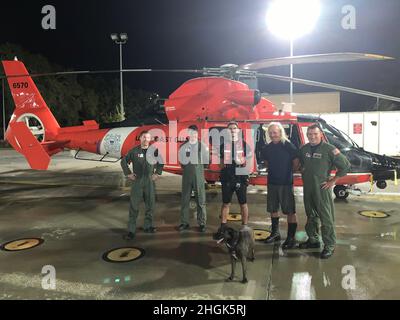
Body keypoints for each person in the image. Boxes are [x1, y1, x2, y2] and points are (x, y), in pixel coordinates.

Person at [299, 124, 351, 259]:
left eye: (315, 134)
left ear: (321, 134)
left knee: (326, 218)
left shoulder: (330, 149)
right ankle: (313, 239)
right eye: (309, 134)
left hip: (322, 189)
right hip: (308, 188)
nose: (312, 136)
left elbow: (345, 166)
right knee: (311, 215)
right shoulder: (304, 149)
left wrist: (333, 181)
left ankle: (329, 245)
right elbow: (302, 164)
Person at [260, 122, 300, 249]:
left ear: (281, 132)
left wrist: (286, 172)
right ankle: (275, 233)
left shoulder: (288, 146)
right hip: (272, 183)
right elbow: (266, 163)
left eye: (275, 132)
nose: (273, 135)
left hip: (286, 184)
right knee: (273, 209)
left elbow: (296, 163)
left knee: (290, 211)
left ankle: (291, 238)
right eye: (270, 133)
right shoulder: (267, 148)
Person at [214, 121, 253, 246]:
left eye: (234, 128)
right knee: (226, 203)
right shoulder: (222, 145)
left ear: (238, 130)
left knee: (243, 203)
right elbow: (220, 164)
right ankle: (223, 227)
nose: (232, 130)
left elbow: (250, 161)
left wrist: (242, 162)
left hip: (241, 175)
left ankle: (245, 227)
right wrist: (222, 163)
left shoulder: (244, 145)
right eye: (230, 129)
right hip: (227, 176)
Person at [120, 131, 164, 240]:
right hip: (137, 181)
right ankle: (131, 230)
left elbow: (161, 162)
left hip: (149, 181)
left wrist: (157, 173)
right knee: (134, 206)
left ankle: (148, 226)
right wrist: (128, 173)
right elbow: (123, 161)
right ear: (140, 138)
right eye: (144, 137)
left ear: (150, 139)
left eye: (148, 138)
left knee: (150, 205)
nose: (145, 139)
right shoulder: (134, 151)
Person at [178, 125, 209, 233]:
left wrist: (198, 170)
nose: (193, 135)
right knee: (184, 200)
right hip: (186, 176)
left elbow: (206, 162)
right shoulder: (183, 147)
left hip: (199, 176)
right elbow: (182, 162)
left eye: (195, 133)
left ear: (197, 134)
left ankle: (202, 223)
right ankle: (184, 223)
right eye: (191, 133)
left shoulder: (203, 146)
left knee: (200, 200)